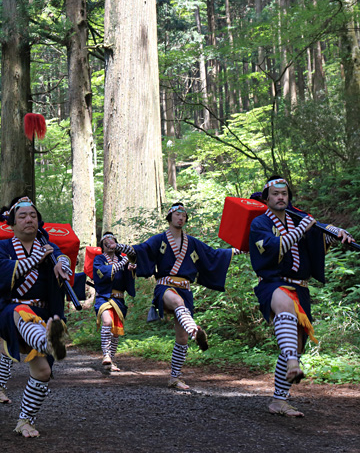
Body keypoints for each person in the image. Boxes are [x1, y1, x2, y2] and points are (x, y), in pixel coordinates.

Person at [249, 176, 354, 417]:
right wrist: (301, 229)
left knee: (296, 344)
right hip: (274, 283)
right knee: (284, 308)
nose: (280, 197)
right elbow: (275, 247)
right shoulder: (260, 223)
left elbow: (319, 236)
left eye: (284, 193)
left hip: (301, 288)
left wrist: (338, 233)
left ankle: (279, 401)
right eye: (275, 194)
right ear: (266, 198)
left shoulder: (298, 220)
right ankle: (293, 363)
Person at [116, 203, 241, 390]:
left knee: (181, 339)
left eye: (184, 215)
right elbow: (140, 251)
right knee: (177, 301)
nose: (181, 218)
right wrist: (121, 247)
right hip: (165, 287)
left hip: (185, 288)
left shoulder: (192, 242)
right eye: (177, 214)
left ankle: (174, 377)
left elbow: (213, 254)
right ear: (170, 217)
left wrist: (238, 250)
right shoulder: (159, 240)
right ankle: (195, 332)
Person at [0, 197, 72, 437]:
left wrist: (61, 264)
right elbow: (1, 273)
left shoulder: (49, 249)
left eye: (33, 215)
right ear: (12, 223)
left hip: (43, 312)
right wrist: (37, 259)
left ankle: (25, 421)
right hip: (11, 311)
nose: (28, 219)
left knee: (43, 372)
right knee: (23, 313)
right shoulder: (1, 248)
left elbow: (64, 259)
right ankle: (48, 340)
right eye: (22, 216)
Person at [93, 232, 136, 371]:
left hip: (119, 299)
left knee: (116, 332)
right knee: (106, 322)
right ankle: (106, 355)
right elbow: (105, 273)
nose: (109, 244)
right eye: (106, 242)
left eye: (112, 241)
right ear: (102, 246)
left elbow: (128, 277)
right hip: (104, 297)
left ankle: (111, 360)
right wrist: (124, 262)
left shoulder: (123, 258)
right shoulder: (99, 260)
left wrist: (130, 269)